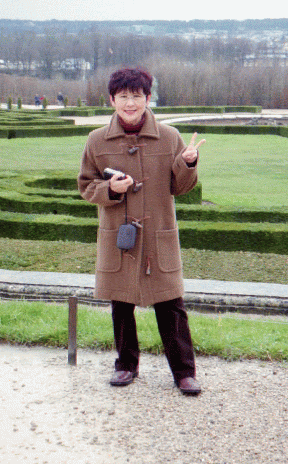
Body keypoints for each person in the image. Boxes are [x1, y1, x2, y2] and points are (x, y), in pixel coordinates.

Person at [78, 67, 206, 396]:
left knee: (171, 305)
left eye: (137, 96)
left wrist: (188, 162)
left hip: (158, 234)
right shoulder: (96, 140)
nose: (130, 103)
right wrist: (110, 188)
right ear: (112, 100)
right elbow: (86, 186)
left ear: (148, 98)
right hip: (120, 236)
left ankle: (184, 372)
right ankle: (126, 365)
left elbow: (181, 187)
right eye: (123, 96)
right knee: (121, 304)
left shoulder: (170, 137)